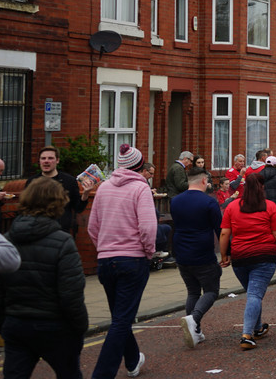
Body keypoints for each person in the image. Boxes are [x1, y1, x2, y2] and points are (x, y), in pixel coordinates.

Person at [0, 178, 86, 379]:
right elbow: (71, 294)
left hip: (17, 324)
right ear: (58, 203)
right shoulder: (63, 242)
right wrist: (79, 328)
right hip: (55, 326)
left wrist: (4, 324)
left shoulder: (6, 240)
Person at [88, 144, 156, 379]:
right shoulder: (140, 187)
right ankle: (102, 374)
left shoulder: (104, 187)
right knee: (120, 321)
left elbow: (92, 227)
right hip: (132, 260)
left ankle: (133, 360)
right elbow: (147, 227)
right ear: (140, 165)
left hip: (106, 260)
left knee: (120, 315)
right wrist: (149, 252)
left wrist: (104, 249)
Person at [219, 171, 276, 351]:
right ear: (262, 187)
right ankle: (247, 334)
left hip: (240, 257)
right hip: (264, 256)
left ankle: (258, 328)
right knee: (254, 294)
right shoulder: (270, 206)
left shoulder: (232, 207)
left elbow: (224, 233)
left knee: (253, 293)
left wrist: (224, 256)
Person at [170, 165, 223, 349]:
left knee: (193, 291)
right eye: (207, 181)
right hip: (202, 252)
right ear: (203, 181)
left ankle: (196, 331)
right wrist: (227, 253)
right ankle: (194, 318)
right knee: (211, 290)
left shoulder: (175, 201)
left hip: (181, 252)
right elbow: (220, 229)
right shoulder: (209, 202)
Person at [25, 145, 89, 234]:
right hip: (37, 230)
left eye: (50, 158)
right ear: (39, 161)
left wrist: (85, 194)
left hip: (61, 230)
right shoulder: (32, 181)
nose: (46, 161)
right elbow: (26, 207)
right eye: (43, 158)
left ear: (57, 160)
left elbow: (78, 208)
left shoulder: (69, 181)